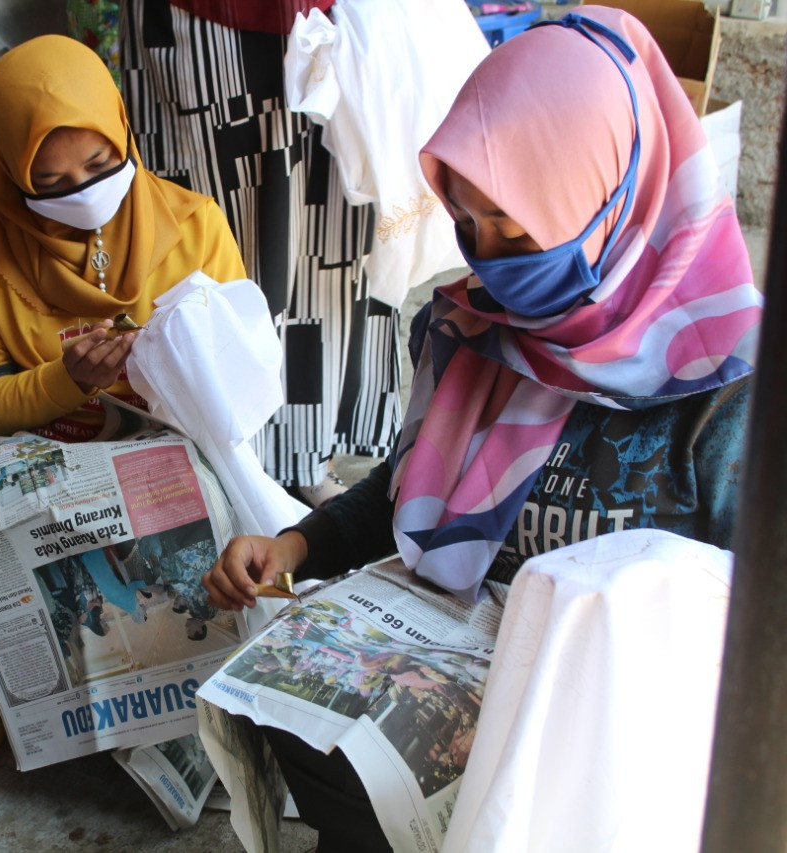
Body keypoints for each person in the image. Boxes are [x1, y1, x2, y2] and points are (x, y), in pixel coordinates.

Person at [202, 8, 761, 850]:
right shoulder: (470, 329)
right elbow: (406, 488)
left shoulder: (724, 389)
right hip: (450, 672)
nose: (494, 261)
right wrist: (297, 545)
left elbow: (745, 649)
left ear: (612, 199)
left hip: (609, 749)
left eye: (520, 228)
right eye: (467, 221)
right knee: (302, 724)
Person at [112, 0, 404, 505]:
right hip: (206, 22)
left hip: (333, 19)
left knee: (327, 244)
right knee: (220, 248)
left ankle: (311, 452)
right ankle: (240, 465)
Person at [0, 33, 247, 444]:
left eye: (99, 163)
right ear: (12, 174)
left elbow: (241, 370)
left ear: (121, 129)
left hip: (177, 444)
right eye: (49, 181)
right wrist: (66, 380)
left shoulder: (196, 225)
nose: (84, 193)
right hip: (49, 448)